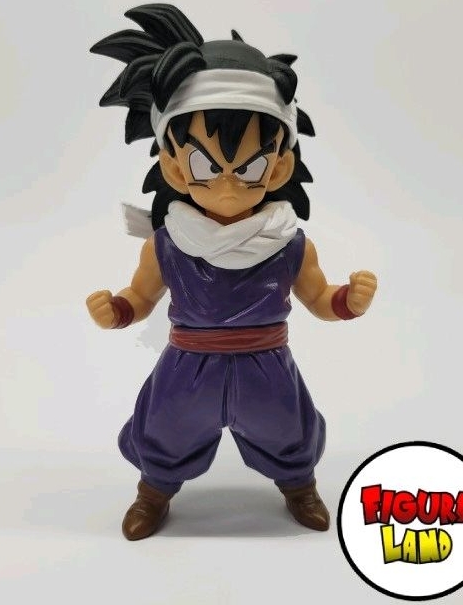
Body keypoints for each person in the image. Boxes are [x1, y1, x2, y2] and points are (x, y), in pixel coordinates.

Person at [86, 4, 377, 541]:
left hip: (266, 361)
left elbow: (319, 297)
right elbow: (141, 296)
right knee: (165, 431)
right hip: (188, 363)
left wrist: (347, 301)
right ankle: (153, 492)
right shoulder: (167, 243)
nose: (226, 185)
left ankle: (299, 485)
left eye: (250, 167)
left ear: (280, 164)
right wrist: (118, 310)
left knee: (288, 430)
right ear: (173, 164)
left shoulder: (288, 243)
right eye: (203, 165)